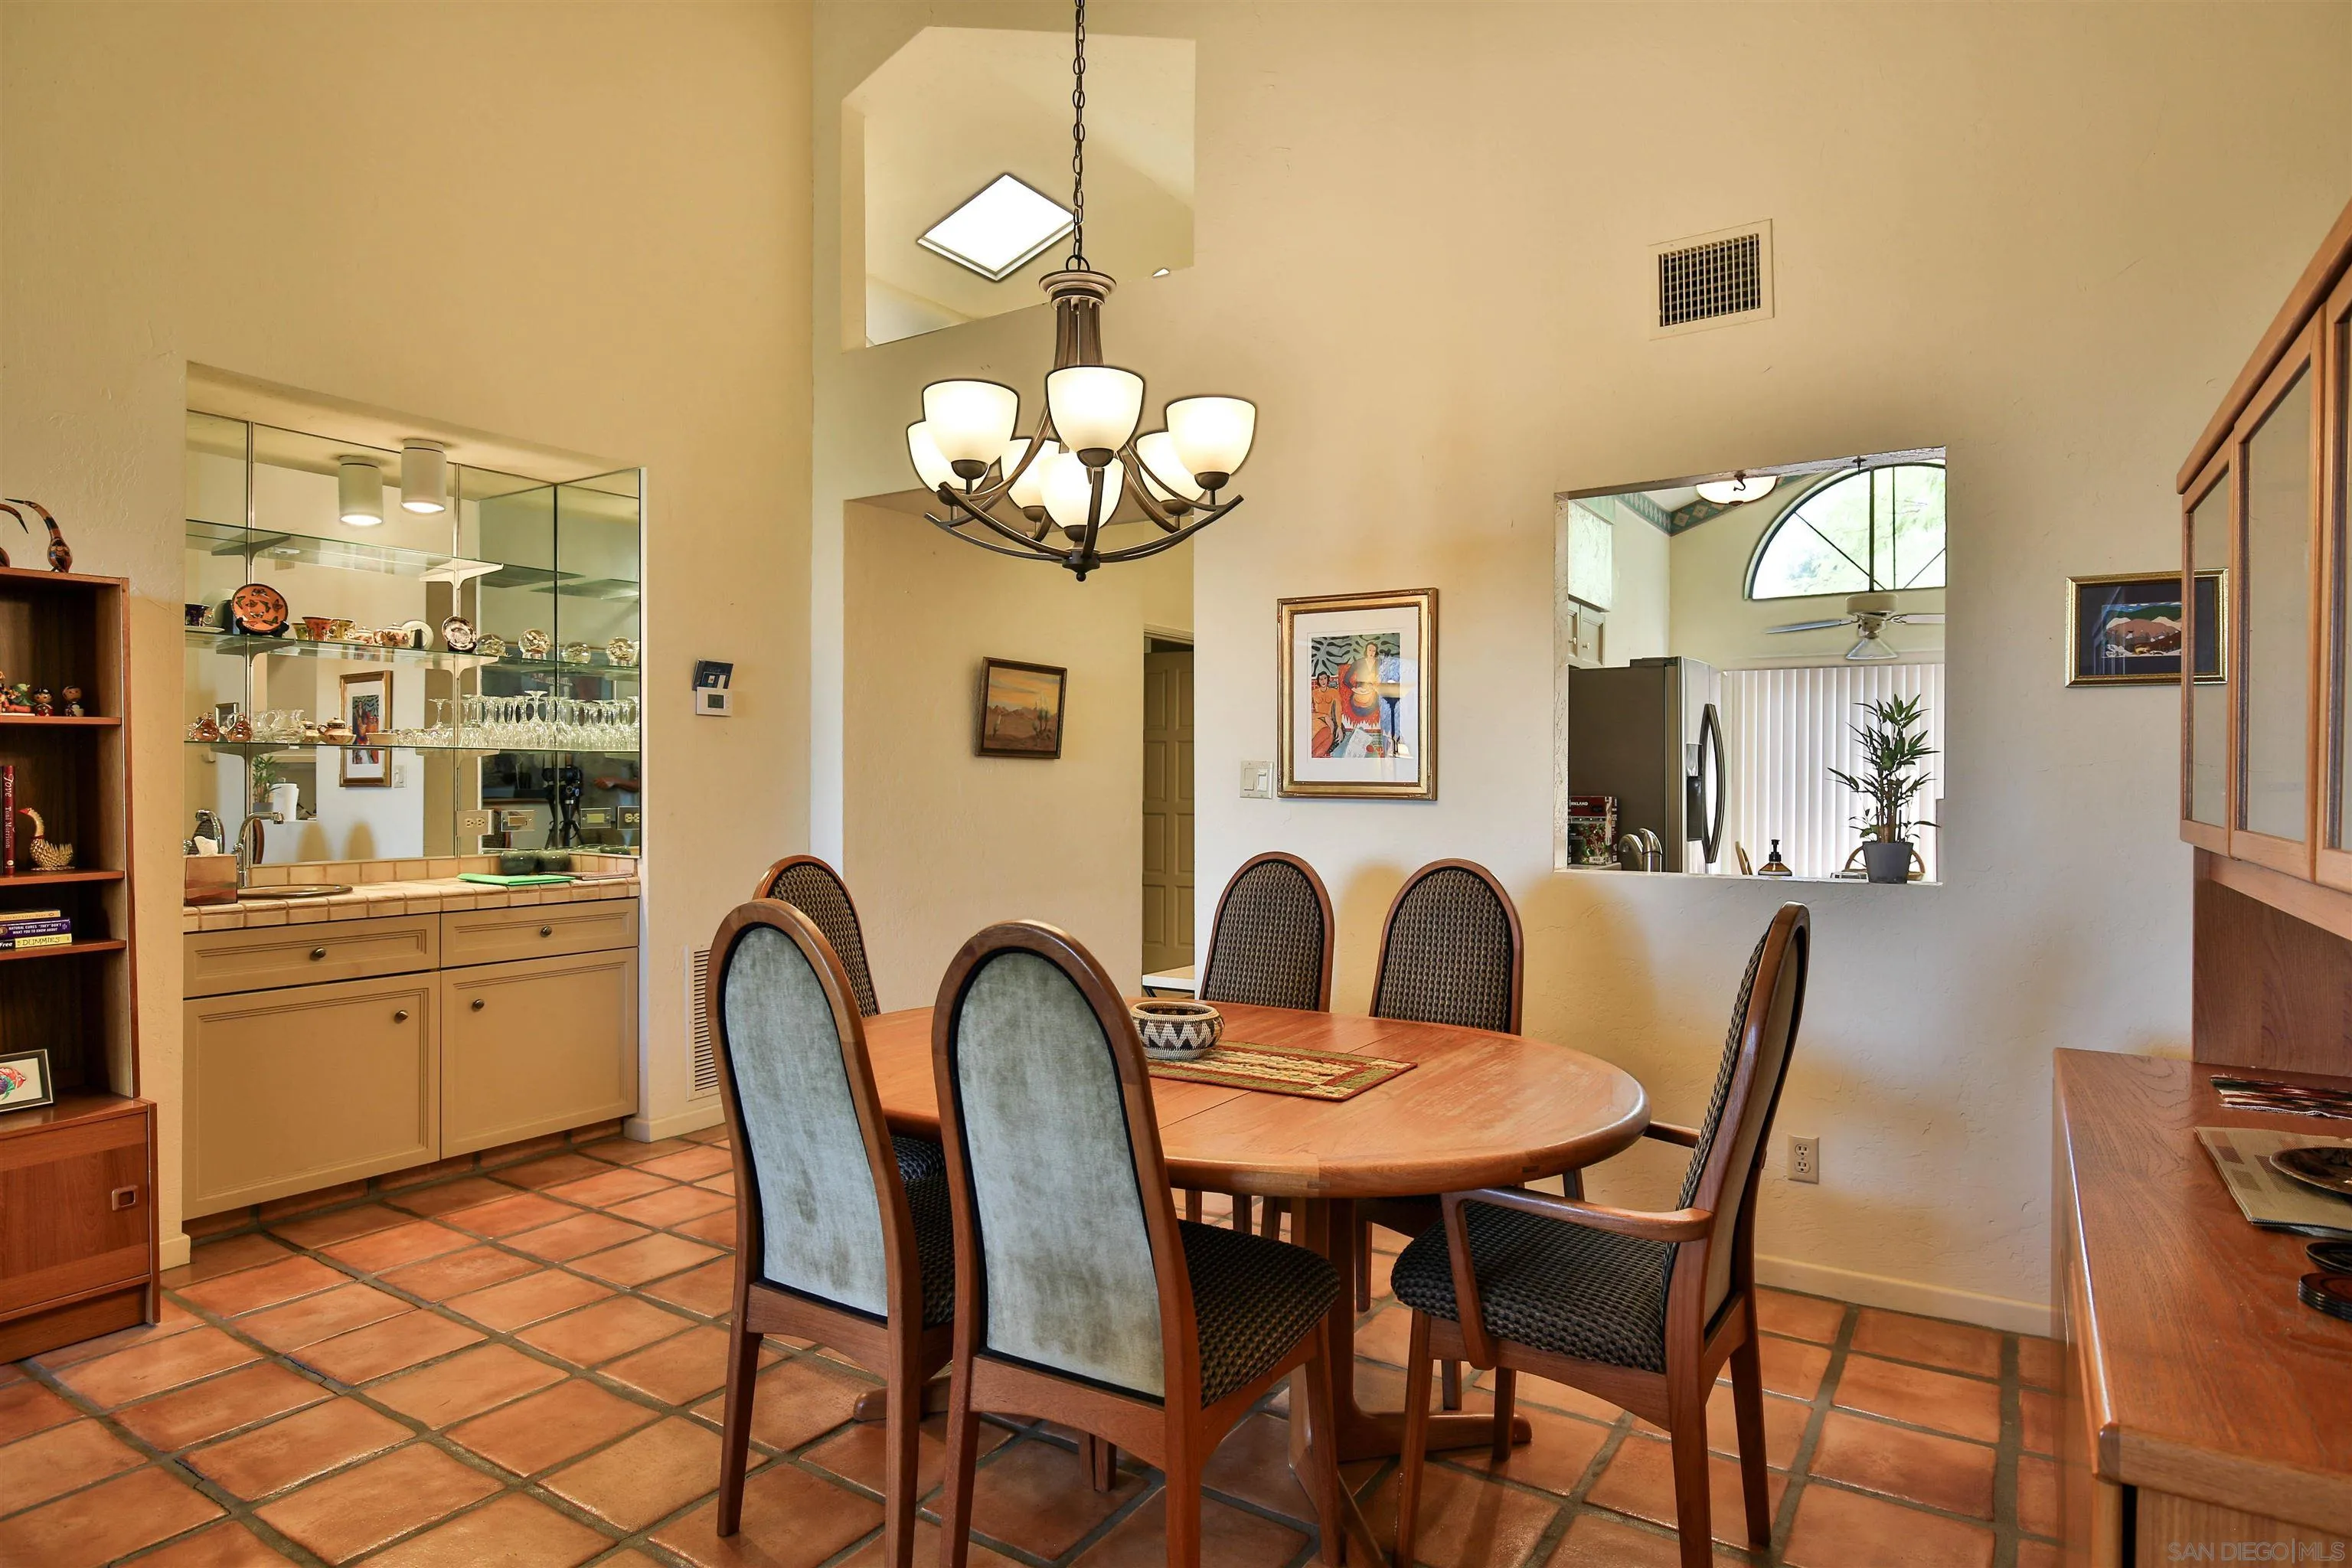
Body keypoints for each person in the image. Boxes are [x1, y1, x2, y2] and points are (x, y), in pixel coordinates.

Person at [1312, 648, 1396, 758]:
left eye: (1325, 679)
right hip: (1318, 722)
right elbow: (1305, 712)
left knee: (1330, 737)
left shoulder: (1333, 692)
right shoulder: (1313, 693)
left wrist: (1338, 726)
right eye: (1321, 679)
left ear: (1328, 680)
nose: (1323, 681)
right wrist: (1354, 689)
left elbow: (1338, 709)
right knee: (1326, 735)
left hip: (1332, 723)